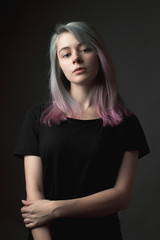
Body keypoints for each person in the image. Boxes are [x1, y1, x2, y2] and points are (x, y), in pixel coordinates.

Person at [14, 21, 150, 240]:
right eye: (65, 54)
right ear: (59, 65)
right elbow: (34, 199)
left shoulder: (126, 122)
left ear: (100, 56)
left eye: (85, 49)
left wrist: (55, 208)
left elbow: (121, 197)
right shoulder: (36, 118)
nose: (76, 58)